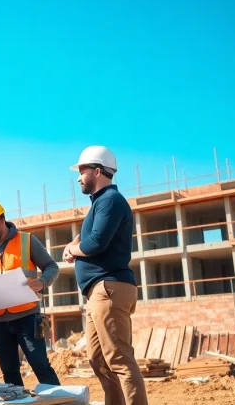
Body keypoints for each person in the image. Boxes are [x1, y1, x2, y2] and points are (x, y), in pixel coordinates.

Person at [63, 146, 147, 405]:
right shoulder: (101, 204)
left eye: (81, 171)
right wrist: (77, 243)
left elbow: (96, 243)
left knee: (119, 358)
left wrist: (72, 249)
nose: (78, 177)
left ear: (97, 171)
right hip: (100, 290)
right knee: (98, 360)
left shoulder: (110, 200)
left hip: (108, 288)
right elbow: (93, 238)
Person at [0, 198, 61, 387]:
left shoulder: (26, 240)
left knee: (40, 365)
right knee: (9, 371)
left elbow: (52, 267)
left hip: (27, 318)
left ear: (2, 220)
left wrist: (42, 282)